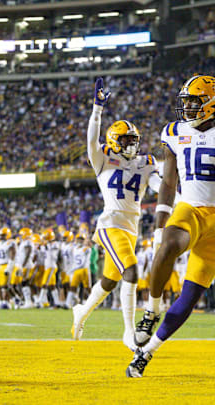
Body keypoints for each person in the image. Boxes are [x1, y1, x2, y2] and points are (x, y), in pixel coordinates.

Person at [126, 74, 215, 377]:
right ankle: (151, 311)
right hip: (189, 208)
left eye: (194, 100)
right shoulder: (174, 132)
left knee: (189, 297)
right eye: (187, 100)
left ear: (213, 103)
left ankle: (146, 354)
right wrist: (160, 222)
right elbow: (168, 180)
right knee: (168, 246)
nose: (188, 106)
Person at [71, 78, 161, 351]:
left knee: (110, 280)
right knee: (131, 271)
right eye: (126, 140)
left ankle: (81, 312)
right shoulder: (102, 159)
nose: (131, 145)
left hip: (131, 228)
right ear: (113, 140)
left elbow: (156, 185)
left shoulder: (147, 162)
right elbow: (91, 139)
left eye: (134, 140)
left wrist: (174, 198)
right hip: (111, 224)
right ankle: (128, 332)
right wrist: (97, 109)